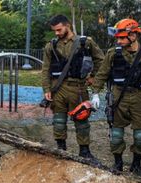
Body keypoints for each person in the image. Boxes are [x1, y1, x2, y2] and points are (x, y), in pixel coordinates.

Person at [90, 18, 141, 177]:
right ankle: (118, 163)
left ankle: (136, 164)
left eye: (123, 37)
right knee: (116, 134)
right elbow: (102, 74)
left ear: (134, 35)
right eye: (118, 38)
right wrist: (95, 92)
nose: (119, 41)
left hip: (139, 97)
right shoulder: (112, 53)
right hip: (118, 96)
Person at [42, 14, 104, 159]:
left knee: (81, 120)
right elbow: (45, 69)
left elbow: (101, 60)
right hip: (58, 88)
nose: (56, 33)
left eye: (59, 29)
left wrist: (93, 76)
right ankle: (61, 149)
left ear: (67, 25)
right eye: (54, 31)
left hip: (78, 88)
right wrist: (46, 89)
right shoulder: (51, 46)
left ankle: (84, 152)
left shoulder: (85, 42)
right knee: (58, 121)